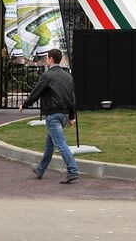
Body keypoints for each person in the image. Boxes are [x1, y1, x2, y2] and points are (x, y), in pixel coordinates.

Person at [21, 48, 79, 184]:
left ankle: (73, 170)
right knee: (50, 143)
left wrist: (24, 105)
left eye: (47, 58)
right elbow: (72, 98)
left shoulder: (47, 76)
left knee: (60, 143)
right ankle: (40, 169)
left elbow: (36, 92)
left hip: (53, 115)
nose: (47, 60)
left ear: (51, 59)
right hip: (64, 115)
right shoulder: (68, 76)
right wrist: (71, 116)